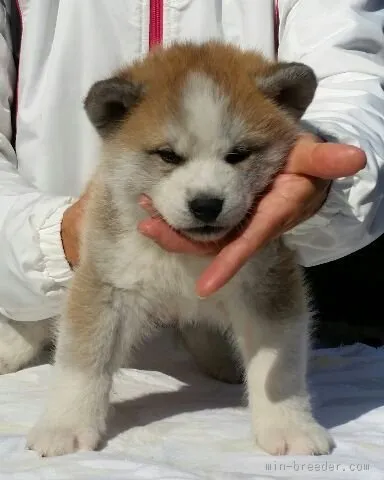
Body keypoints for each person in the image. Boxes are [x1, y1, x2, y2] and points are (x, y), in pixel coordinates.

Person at [0, 0, 382, 375]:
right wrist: (51, 241)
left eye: (235, 156)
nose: (207, 189)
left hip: (231, 327)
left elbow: (355, 79)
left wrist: (321, 161)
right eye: (171, 156)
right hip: (40, 310)